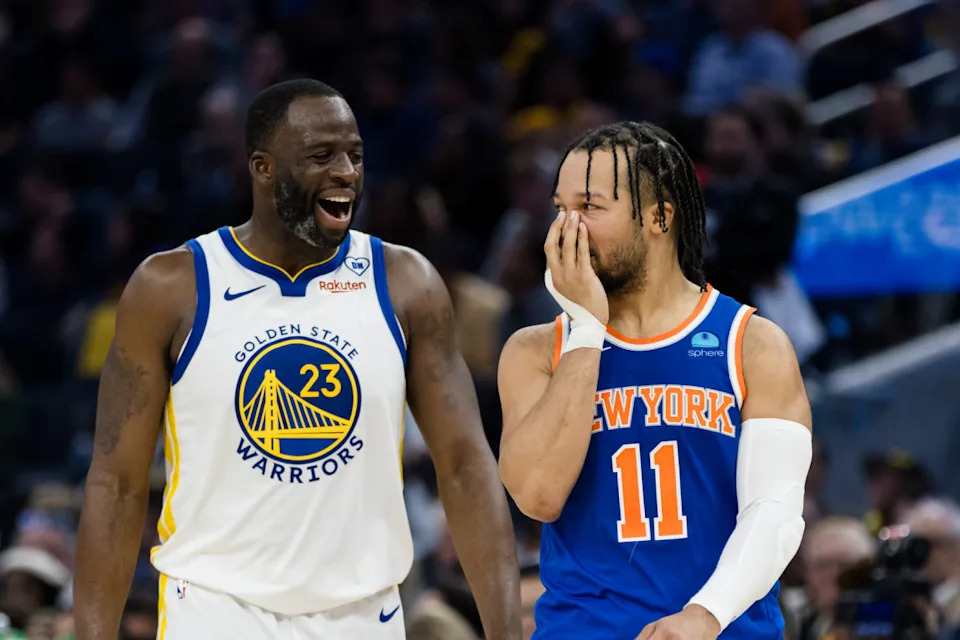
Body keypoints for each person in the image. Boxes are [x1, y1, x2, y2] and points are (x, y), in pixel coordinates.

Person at [73, 78, 520, 639]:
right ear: (263, 168)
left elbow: (465, 464)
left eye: (355, 155)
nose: (347, 173)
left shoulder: (407, 284)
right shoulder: (171, 287)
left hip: (363, 613)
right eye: (322, 155)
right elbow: (116, 483)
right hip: (213, 610)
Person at [498, 121, 812, 639]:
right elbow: (538, 495)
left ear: (659, 217)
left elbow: (775, 513)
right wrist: (586, 330)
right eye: (560, 208)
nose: (565, 230)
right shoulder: (535, 351)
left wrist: (704, 614)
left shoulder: (751, 343)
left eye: (589, 208)